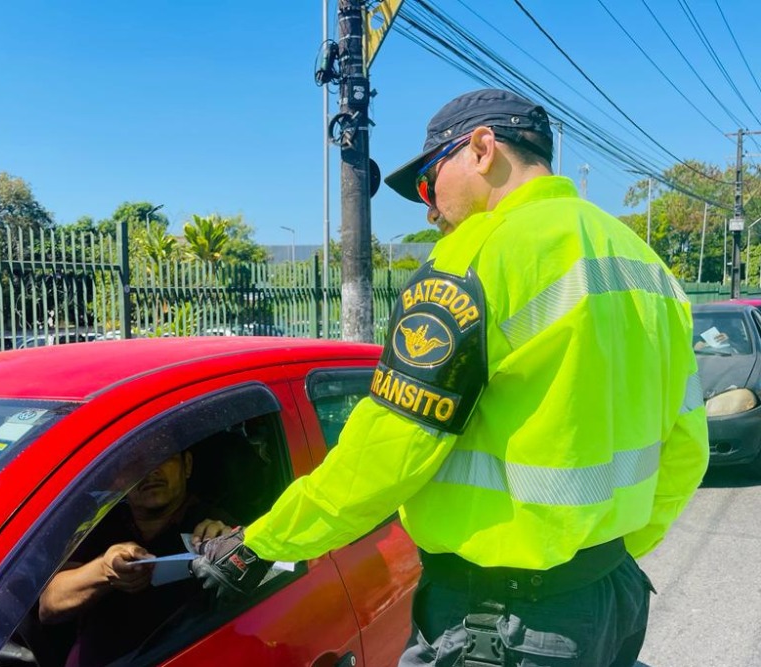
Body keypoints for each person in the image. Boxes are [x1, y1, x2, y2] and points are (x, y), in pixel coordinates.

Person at [192, 89, 709, 667]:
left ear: (483, 148)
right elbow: (687, 447)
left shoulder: (475, 259)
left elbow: (390, 447)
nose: (430, 210)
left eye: (427, 183)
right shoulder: (647, 267)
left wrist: (264, 543)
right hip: (610, 598)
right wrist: (603, 555)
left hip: (500, 622)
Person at [39, 451, 234, 667]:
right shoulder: (101, 526)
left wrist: (230, 551)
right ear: (119, 479)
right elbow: (49, 605)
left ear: (186, 464)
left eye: (163, 455)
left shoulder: (214, 530)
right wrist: (105, 570)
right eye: (133, 463)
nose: (150, 471)